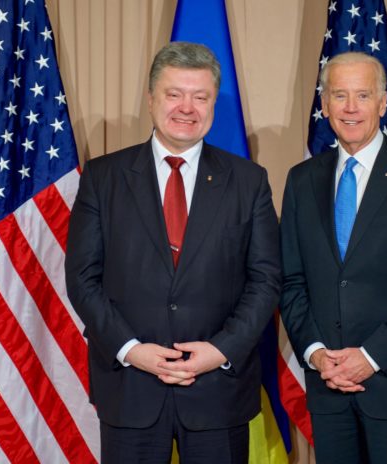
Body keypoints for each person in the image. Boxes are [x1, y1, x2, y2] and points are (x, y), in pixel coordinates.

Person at [65, 42, 281, 464]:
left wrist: (219, 351)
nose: (187, 107)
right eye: (174, 94)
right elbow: (82, 278)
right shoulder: (104, 177)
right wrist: (131, 349)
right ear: (150, 99)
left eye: (200, 96)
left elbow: (266, 279)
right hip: (131, 390)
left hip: (218, 392)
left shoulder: (249, 181)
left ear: (213, 103)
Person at [280, 51, 387, 463]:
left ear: (382, 102)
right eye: (339, 95)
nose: (351, 108)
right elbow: (291, 280)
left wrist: (370, 357)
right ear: (323, 106)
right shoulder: (301, 180)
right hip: (328, 386)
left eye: (363, 95)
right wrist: (317, 354)